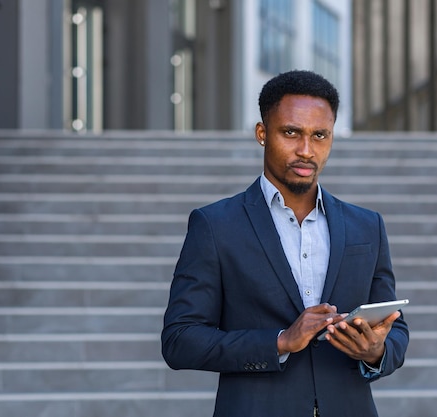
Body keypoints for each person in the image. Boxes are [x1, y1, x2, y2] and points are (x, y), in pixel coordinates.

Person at [161, 70, 409, 417]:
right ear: (262, 134)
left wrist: (375, 351)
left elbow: (396, 330)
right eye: (291, 132)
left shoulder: (366, 226)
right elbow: (180, 340)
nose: (306, 150)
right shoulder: (215, 225)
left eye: (319, 135)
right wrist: (279, 341)